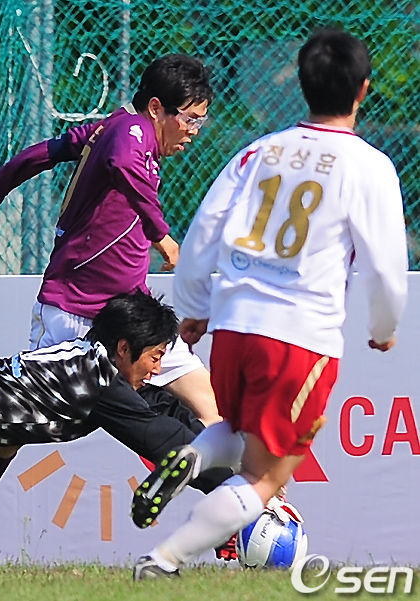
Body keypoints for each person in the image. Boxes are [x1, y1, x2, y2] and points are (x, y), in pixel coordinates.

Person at [130, 28, 409, 579]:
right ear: (363, 89)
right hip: (298, 336)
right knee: (265, 476)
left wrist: (195, 307)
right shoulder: (368, 165)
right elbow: (384, 266)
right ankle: (163, 559)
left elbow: (204, 231)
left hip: (235, 326)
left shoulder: (259, 152)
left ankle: (190, 457)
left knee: (237, 431)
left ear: (302, 85)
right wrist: (384, 326)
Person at [0, 54, 224, 569]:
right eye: (190, 119)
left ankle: (243, 517)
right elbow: (116, 165)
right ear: (157, 108)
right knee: (8, 432)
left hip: (132, 320)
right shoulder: (129, 133)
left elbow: (44, 152)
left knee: (206, 400)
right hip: (73, 314)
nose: (194, 132)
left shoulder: (118, 133)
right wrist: (163, 237)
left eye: (201, 120)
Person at [0, 291, 231, 571]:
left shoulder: (97, 366)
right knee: (4, 438)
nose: (158, 369)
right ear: (124, 348)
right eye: (156, 357)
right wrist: (234, 494)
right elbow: (164, 440)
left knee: (4, 440)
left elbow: (164, 409)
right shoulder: (98, 381)